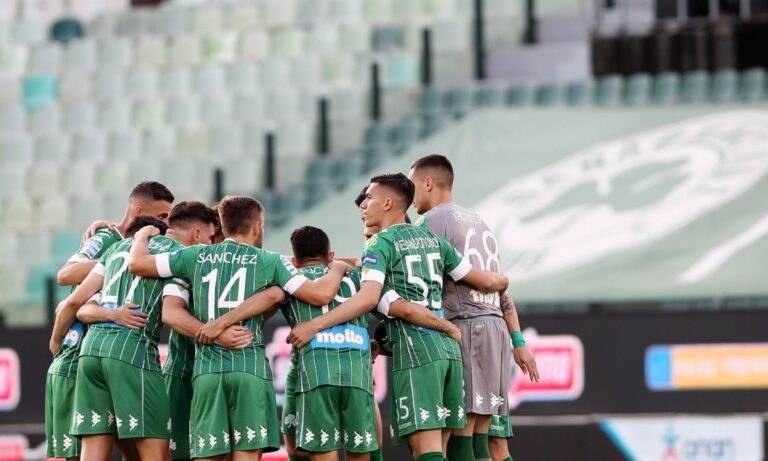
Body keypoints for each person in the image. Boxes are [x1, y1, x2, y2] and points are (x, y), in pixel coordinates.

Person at [287, 174, 509, 461]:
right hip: (449, 354)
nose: (364, 204)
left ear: (388, 203)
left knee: (426, 450)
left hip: (417, 351)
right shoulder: (436, 241)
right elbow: (486, 280)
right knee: (448, 448)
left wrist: (315, 325)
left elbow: (373, 299)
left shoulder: (379, 244)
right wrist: (504, 281)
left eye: (369, 198)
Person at [127, 195, 351, 461]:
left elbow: (137, 264)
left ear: (223, 225)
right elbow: (320, 294)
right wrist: (338, 268)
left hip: (207, 372)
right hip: (248, 367)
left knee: (206, 455)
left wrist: (141, 236)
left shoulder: (195, 255)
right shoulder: (270, 261)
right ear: (256, 226)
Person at [409, 155, 539, 461]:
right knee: (484, 437)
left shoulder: (431, 222)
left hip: (467, 327)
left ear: (428, 183)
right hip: (496, 330)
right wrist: (518, 339)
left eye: (411, 185)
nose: (410, 195)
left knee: (460, 434)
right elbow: (500, 287)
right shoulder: (481, 223)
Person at [46, 181, 174, 461]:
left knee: (126, 449)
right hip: (78, 356)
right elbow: (65, 275)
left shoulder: (141, 244)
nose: (166, 223)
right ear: (139, 212)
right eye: (162, 216)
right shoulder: (107, 238)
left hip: (97, 354)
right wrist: (118, 256)